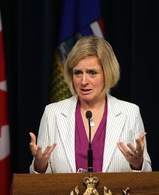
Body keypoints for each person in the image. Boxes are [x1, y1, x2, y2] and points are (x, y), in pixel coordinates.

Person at [29, 35, 151, 173]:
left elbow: (146, 175)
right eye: (78, 73)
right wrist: (40, 166)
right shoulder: (53, 113)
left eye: (92, 73)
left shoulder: (130, 112)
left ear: (107, 73)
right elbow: (39, 180)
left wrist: (137, 164)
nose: (83, 81)